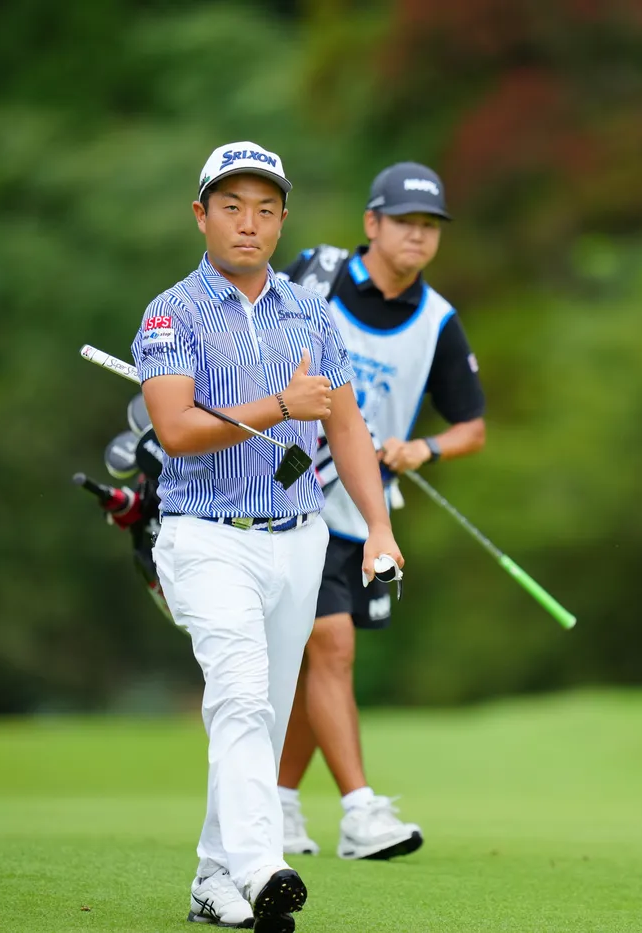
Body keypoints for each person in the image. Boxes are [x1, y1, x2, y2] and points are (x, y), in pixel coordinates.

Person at [131, 140, 403, 931]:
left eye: (265, 209)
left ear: (283, 220)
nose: (248, 223)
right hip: (204, 535)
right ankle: (260, 866)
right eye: (231, 207)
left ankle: (214, 877)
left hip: (300, 536)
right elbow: (176, 429)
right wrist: (281, 406)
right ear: (201, 215)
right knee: (244, 694)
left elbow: (346, 428)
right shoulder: (170, 312)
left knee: (265, 710)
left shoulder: (311, 312)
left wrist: (379, 527)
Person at [273, 162, 486, 860]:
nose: (418, 236)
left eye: (430, 226)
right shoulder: (320, 278)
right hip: (291, 496)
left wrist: (423, 448)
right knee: (332, 649)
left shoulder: (438, 320)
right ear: (373, 223)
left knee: (321, 664)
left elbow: (472, 427)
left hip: (364, 518)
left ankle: (277, 804)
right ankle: (359, 812)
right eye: (405, 222)